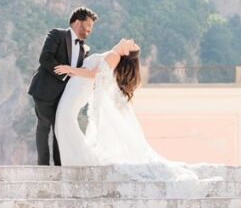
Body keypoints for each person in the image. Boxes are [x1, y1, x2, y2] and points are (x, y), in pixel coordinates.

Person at [52, 38, 198, 181]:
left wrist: (69, 69)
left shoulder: (114, 56)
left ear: (127, 52)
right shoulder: (112, 55)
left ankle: (76, 161)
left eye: (132, 44)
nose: (131, 40)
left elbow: (94, 74)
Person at [27, 7, 96, 166]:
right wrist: (64, 73)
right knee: (44, 126)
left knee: (60, 128)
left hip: (64, 96)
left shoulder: (82, 48)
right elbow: (45, 58)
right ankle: (43, 166)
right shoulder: (56, 34)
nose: (90, 30)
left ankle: (59, 165)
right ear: (78, 23)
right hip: (44, 91)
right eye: (88, 26)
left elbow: (79, 72)